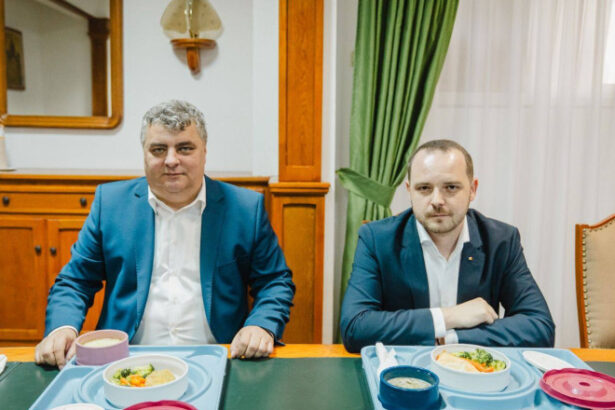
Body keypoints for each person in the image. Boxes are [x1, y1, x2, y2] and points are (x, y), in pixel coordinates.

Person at [36, 100, 295, 368]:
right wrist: (61, 328)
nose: (171, 160)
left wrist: (260, 325)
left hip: (218, 357)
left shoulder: (245, 209)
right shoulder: (111, 204)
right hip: (126, 359)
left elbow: (275, 281)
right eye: (159, 149)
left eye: (185, 148)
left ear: (204, 152)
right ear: (144, 154)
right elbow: (76, 281)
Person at [340, 139, 555, 353]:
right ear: (409, 191)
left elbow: (540, 327)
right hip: (401, 369)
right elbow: (355, 327)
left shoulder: (501, 240)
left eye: (451, 187)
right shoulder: (377, 239)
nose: (437, 200)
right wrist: (448, 317)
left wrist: (451, 339)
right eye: (424, 188)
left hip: (472, 369)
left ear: (472, 189)